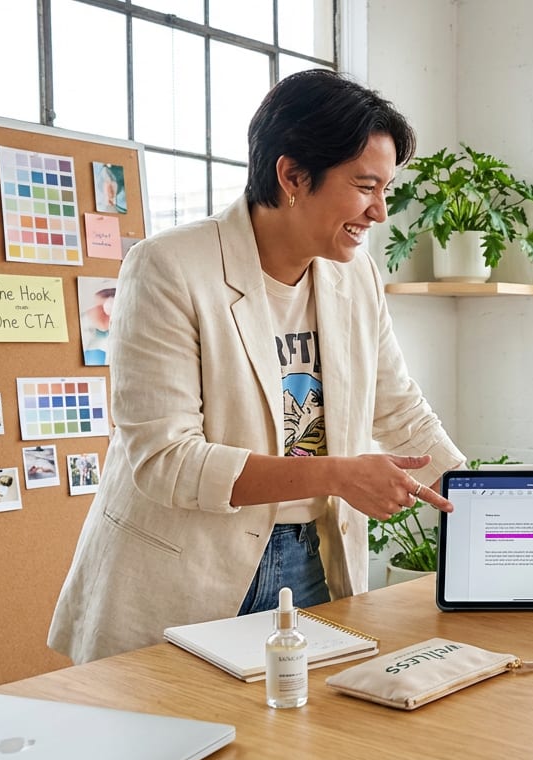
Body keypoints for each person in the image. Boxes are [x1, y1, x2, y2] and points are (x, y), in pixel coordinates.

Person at [48, 69, 465, 664]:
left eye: (386, 189)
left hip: (316, 559)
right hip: (188, 565)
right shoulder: (168, 267)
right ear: (293, 175)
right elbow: (164, 460)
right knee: (187, 742)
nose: (379, 211)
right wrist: (337, 474)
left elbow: (397, 406)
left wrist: (481, 496)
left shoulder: (357, 276)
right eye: (365, 185)